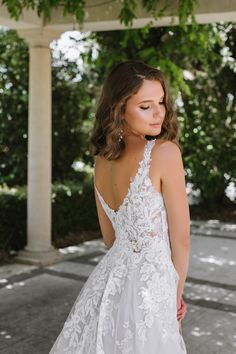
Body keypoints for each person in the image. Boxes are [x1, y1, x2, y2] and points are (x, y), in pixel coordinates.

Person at [49, 60, 190, 354]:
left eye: (161, 102)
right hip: (150, 290)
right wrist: (174, 299)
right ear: (120, 108)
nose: (159, 113)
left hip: (109, 285)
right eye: (145, 106)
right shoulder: (165, 153)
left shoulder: (101, 160)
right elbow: (181, 240)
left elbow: (111, 239)